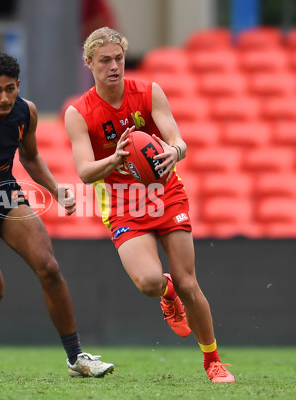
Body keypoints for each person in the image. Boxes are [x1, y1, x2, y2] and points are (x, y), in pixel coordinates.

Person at [0, 52, 114, 378]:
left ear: (18, 86)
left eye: (10, 88)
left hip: (5, 195)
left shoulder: (26, 112)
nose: (4, 97)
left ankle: (76, 358)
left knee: (49, 268)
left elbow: (30, 157)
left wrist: (56, 190)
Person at [64, 27, 235, 383]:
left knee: (190, 283)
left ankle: (213, 362)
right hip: (124, 203)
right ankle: (165, 292)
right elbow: (83, 172)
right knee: (148, 282)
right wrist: (115, 158)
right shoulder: (78, 112)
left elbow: (177, 139)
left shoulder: (148, 91)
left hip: (165, 193)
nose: (114, 66)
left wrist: (174, 150)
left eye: (119, 58)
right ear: (89, 63)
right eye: (105, 60)